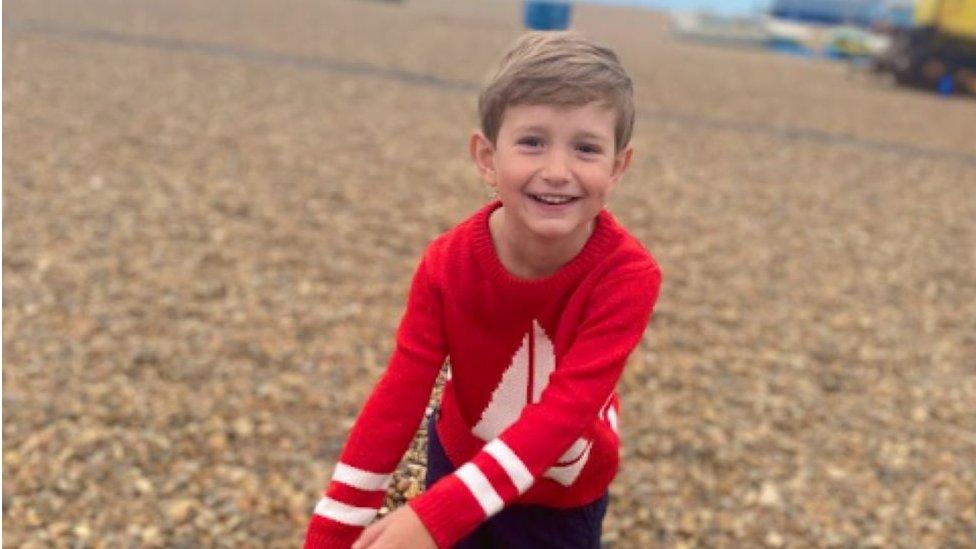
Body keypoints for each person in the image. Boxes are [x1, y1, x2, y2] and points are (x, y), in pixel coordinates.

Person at [304, 30, 662, 549]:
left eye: (586, 148)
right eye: (532, 142)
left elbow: (565, 414)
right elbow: (401, 392)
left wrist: (432, 518)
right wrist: (332, 529)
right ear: (487, 157)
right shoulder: (447, 263)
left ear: (618, 166)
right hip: (460, 461)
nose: (557, 171)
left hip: (561, 495)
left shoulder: (627, 277)